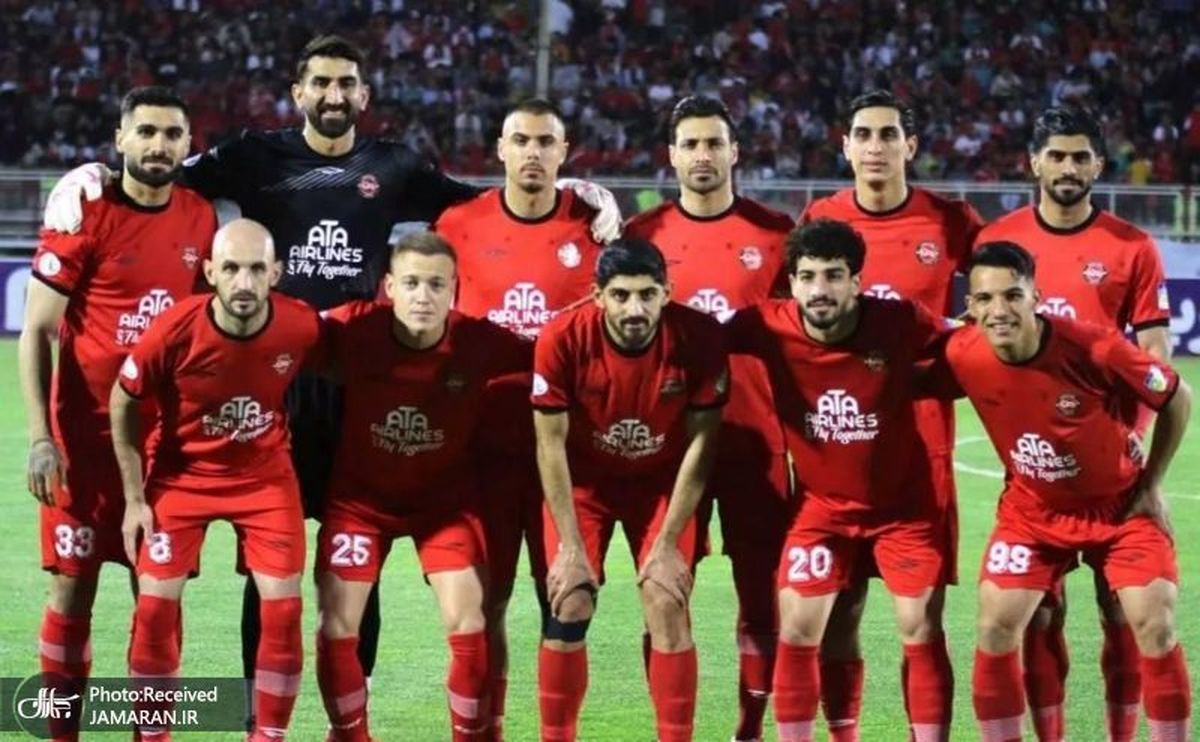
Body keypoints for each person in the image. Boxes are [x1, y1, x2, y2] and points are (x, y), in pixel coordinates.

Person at [42, 35, 621, 705]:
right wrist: (91, 175)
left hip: (356, 385)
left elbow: (481, 204)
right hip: (274, 384)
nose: (334, 94)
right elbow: (160, 172)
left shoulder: (393, 166)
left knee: (359, 552)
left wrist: (572, 194)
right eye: (320, 82)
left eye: (346, 83)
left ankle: (354, 701)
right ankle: (257, 707)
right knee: (267, 565)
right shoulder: (253, 156)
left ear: (364, 95)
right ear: (299, 93)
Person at [926, 241, 1192, 741]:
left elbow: (1178, 395)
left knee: (1153, 623)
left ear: (1036, 297)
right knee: (995, 626)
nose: (999, 310)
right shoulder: (962, 352)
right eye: (984, 299)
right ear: (970, 307)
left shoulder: (1096, 348)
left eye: (1012, 296)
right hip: (1032, 512)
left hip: (1120, 510)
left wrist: (1151, 484)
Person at [17, 85, 215, 740]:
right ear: (120, 139)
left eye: (172, 134)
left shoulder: (201, 220)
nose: (159, 145)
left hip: (163, 453)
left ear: (188, 145)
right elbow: (38, 330)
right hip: (82, 448)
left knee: (157, 602)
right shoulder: (85, 214)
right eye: (146, 131)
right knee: (71, 592)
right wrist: (41, 438)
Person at [976, 106, 1173, 741]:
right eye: (1056, 155)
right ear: (1034, 161)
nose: (1067, 167)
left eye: (1080, 156)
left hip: (1112, 470)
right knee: (1037, 616)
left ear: (1098, 165)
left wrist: (1135, 448)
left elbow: (1156, 358)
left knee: (1123, 613)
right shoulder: (998, 242)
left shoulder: (1131, 247)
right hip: (1036, 478)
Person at [798, 89, 983, 741]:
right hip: (837, 453)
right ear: (845, 146)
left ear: (911, 145)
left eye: (887, 134)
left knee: (921, 619)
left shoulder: (951, 220)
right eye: (863, 134)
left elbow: (997, 293)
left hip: (921, 457)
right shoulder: (821, 217)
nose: (875, 146)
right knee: (839, 612)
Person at [729, 219, 955, 742]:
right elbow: (687, 336)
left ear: (857, 281)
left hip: (905, 512)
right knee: (799, 629)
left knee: (920, 628)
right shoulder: (763, 324)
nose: (820, 289)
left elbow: (969, 348)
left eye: (834, 275)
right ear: (791, 282)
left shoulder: (901, 320)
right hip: (821, 511)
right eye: (807, 276)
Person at [314, 231, 530, 741]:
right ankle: (350, 736)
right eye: (411, 283)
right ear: (389, 287)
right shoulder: (351, 328)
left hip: (444, 506)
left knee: (470, 623)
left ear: (455, 290)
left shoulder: (481, 341)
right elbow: (276, 337)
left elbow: (559, 357)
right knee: (336, 626)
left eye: (437, 285)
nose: (423, 296)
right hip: (360, 504)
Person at [431, 97, 603, 735]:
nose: (533, 152)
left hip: (571, 455)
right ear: (500, 149)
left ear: (564, 152)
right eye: (521, 141)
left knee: (569, 601)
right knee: (484, 607)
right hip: (483, 454)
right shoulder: (459, 225)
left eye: (545, 142)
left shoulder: (594, 226)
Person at [624, 95, 793, 742]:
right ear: (672, 156)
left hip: (755, 441)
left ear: (735, 152)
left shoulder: (776, 234)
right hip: (666, 448)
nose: (703, 155)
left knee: (762, 595)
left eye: (714, 143)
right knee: (663, 591)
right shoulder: (641, 238)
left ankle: (750, 729)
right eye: (690, 144)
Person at [112, 219, 321, 741]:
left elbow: (352, 361)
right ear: (209, 272)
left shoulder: (301, 325)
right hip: (181, 476)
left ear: (276, 272)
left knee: (284, 611)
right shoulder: (175, 329)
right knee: (154, 610)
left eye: (256, 269)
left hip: (264, 479)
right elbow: (122, 400)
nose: (244, 282)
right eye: (231, 269)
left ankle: (268, 736)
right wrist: (135, 499)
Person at [532, 238, 727, 741]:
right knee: (569, 601)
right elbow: (549, 446)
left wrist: (668, 542)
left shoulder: (700, 337)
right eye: (620, 295)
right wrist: (571, 547)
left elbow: (702, 444)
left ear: (667, 293)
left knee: (666, 599)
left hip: (662, 484)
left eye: (647, 294)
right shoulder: (561, 337)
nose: (634, 309)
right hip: (585, 484)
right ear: (598, 295)